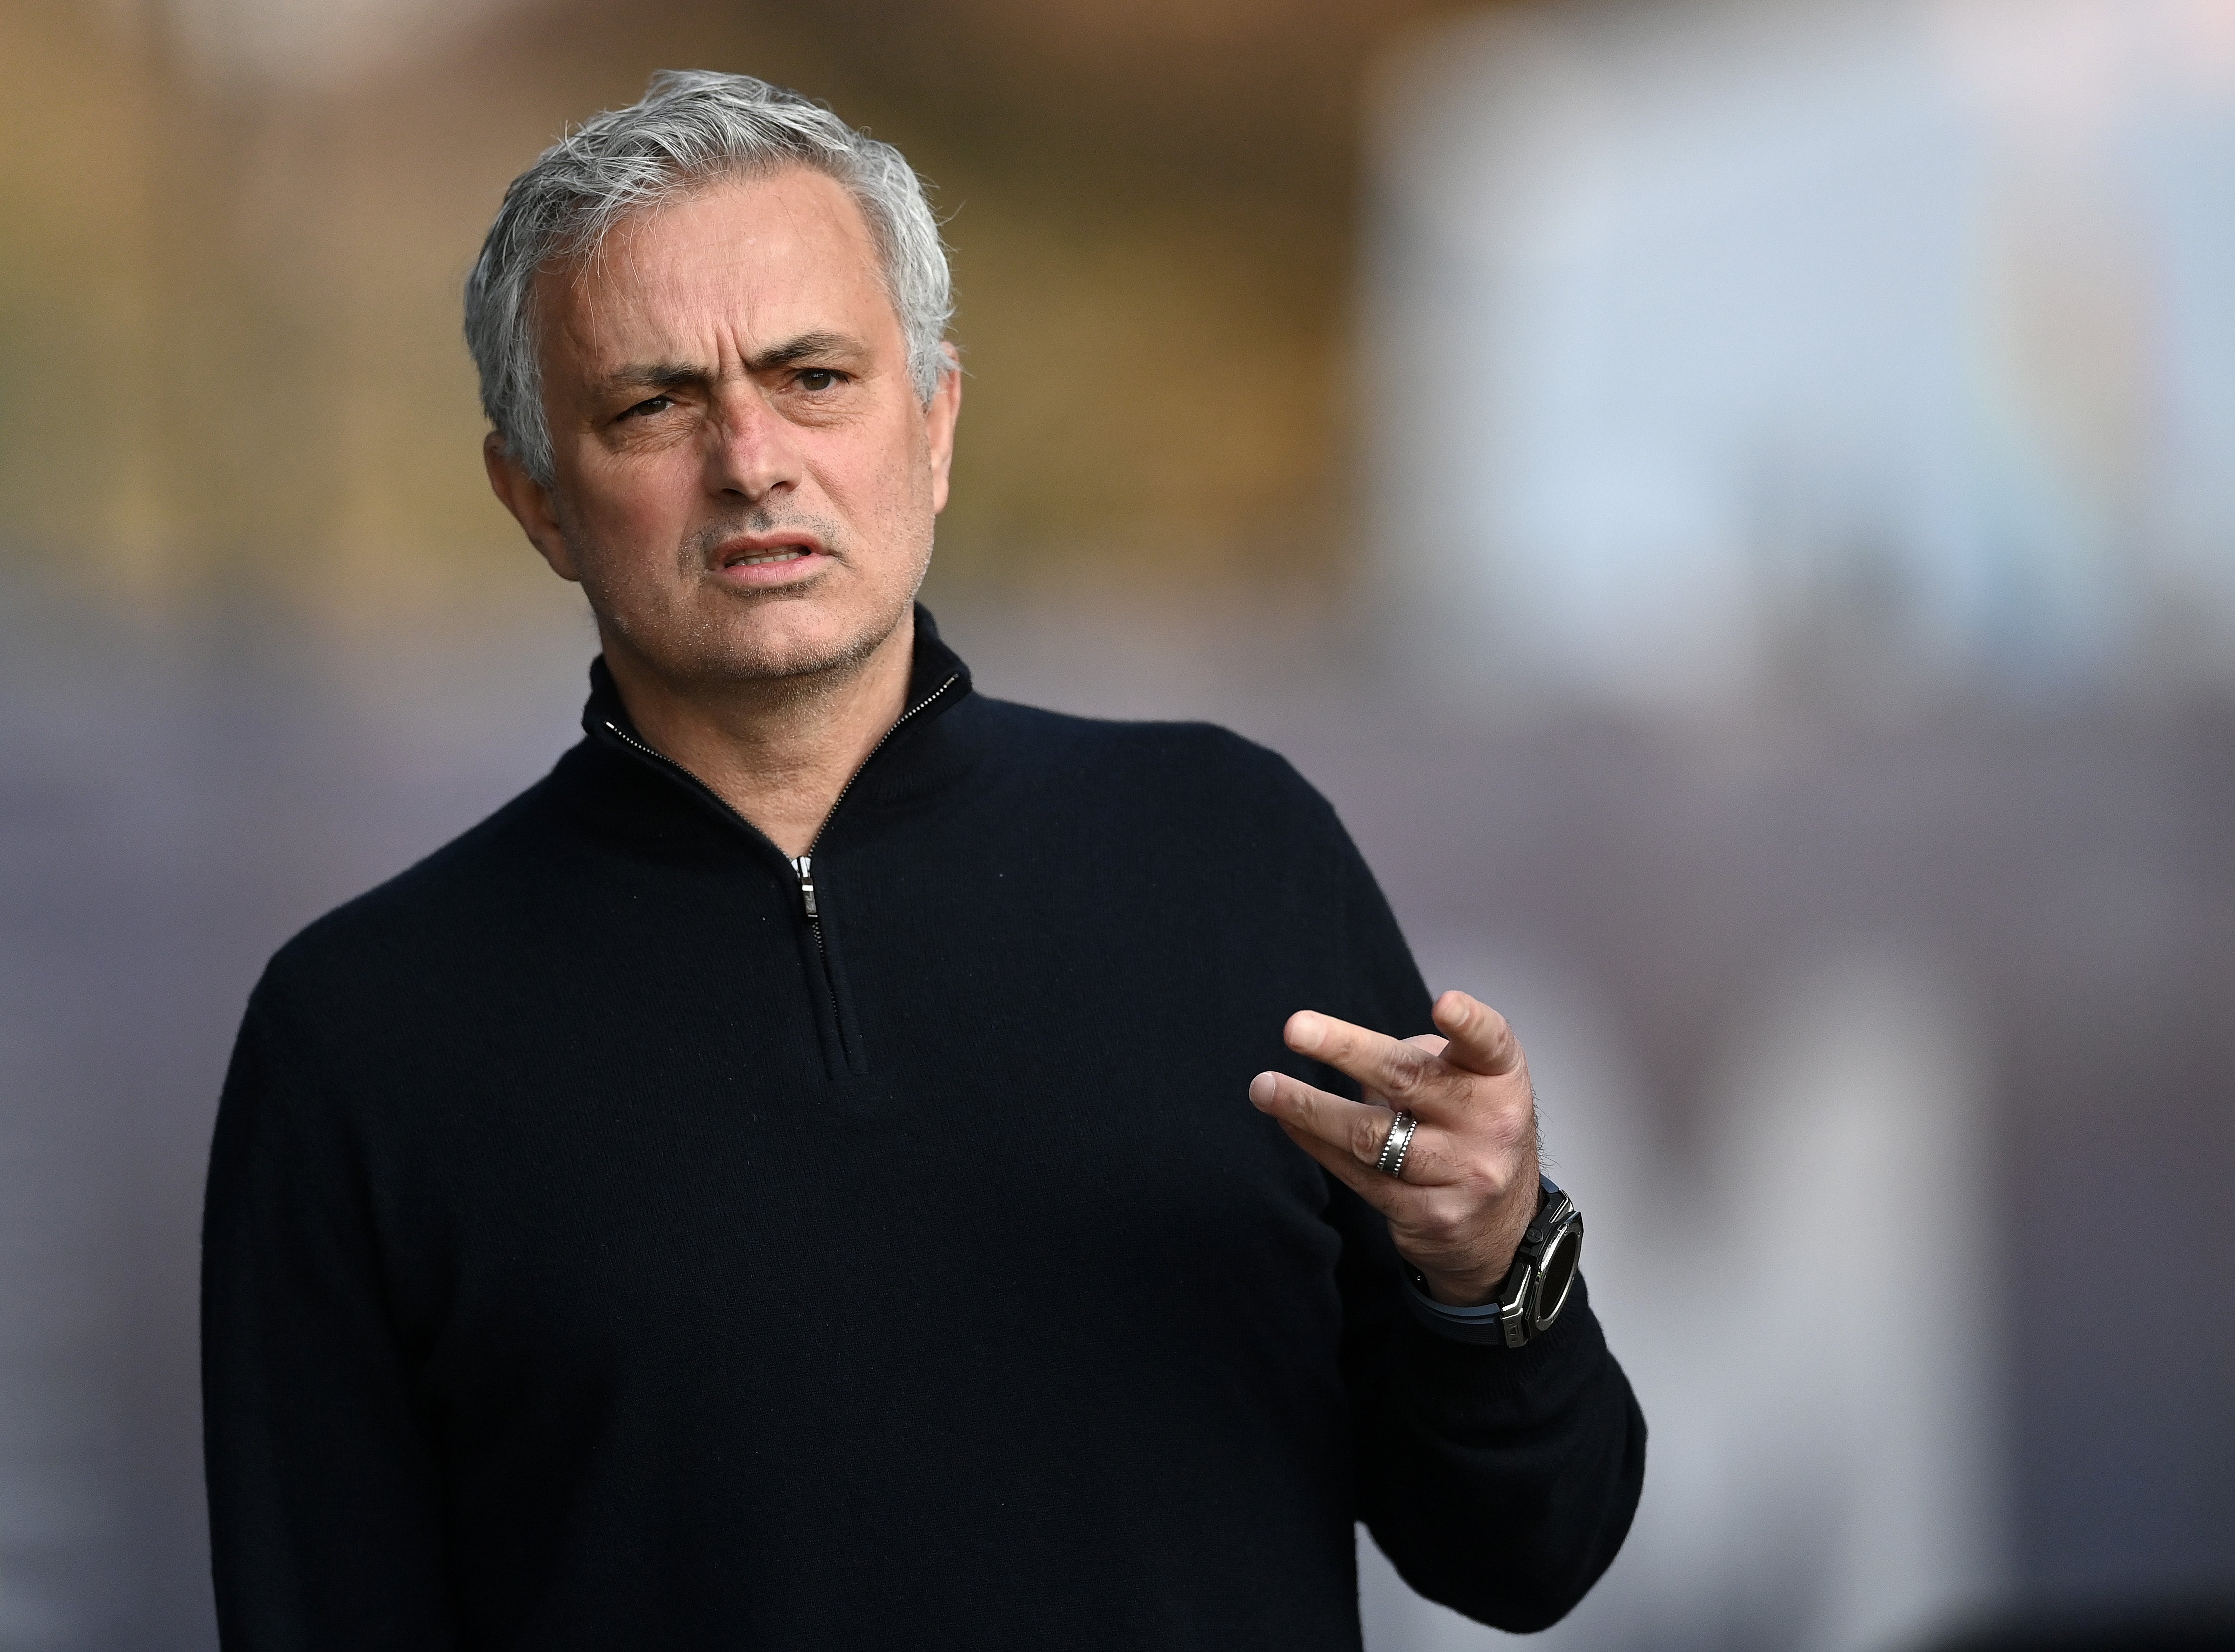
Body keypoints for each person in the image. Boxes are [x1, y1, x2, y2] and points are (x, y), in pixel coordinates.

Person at [200, 70, 1644, 1650]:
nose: (752, 459)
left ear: (935, 424)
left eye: (814, 377)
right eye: (656, 404)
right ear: (535, 498)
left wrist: (1489, 1271)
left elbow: (1533, 1553)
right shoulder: (364, 1039)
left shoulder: (1232, 854)